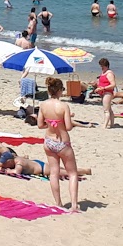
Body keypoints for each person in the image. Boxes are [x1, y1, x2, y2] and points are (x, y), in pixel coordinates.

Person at [37, 76, 82, 211]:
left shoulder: (43, 105)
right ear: (59, 90)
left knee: (54, 173)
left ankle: (58, 203)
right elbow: (68, 127)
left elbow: (40, 125)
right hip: (62, 142)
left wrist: (51, 124)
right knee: (72, 173)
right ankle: (74, 205)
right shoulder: (63, 106)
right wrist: (63, 122)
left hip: (49, 141)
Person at [95, 58, 117, 128]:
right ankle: (112, 123)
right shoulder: (103, 72)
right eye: (101, 66)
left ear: (106, 66)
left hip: (107, 92)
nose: (101, 68)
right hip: (102, 92)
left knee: (106, 110)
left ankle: (105, 125)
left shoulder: (109, 73)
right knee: (109, 109)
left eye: (102, 66)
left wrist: (103, 88)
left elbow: (113, 84)